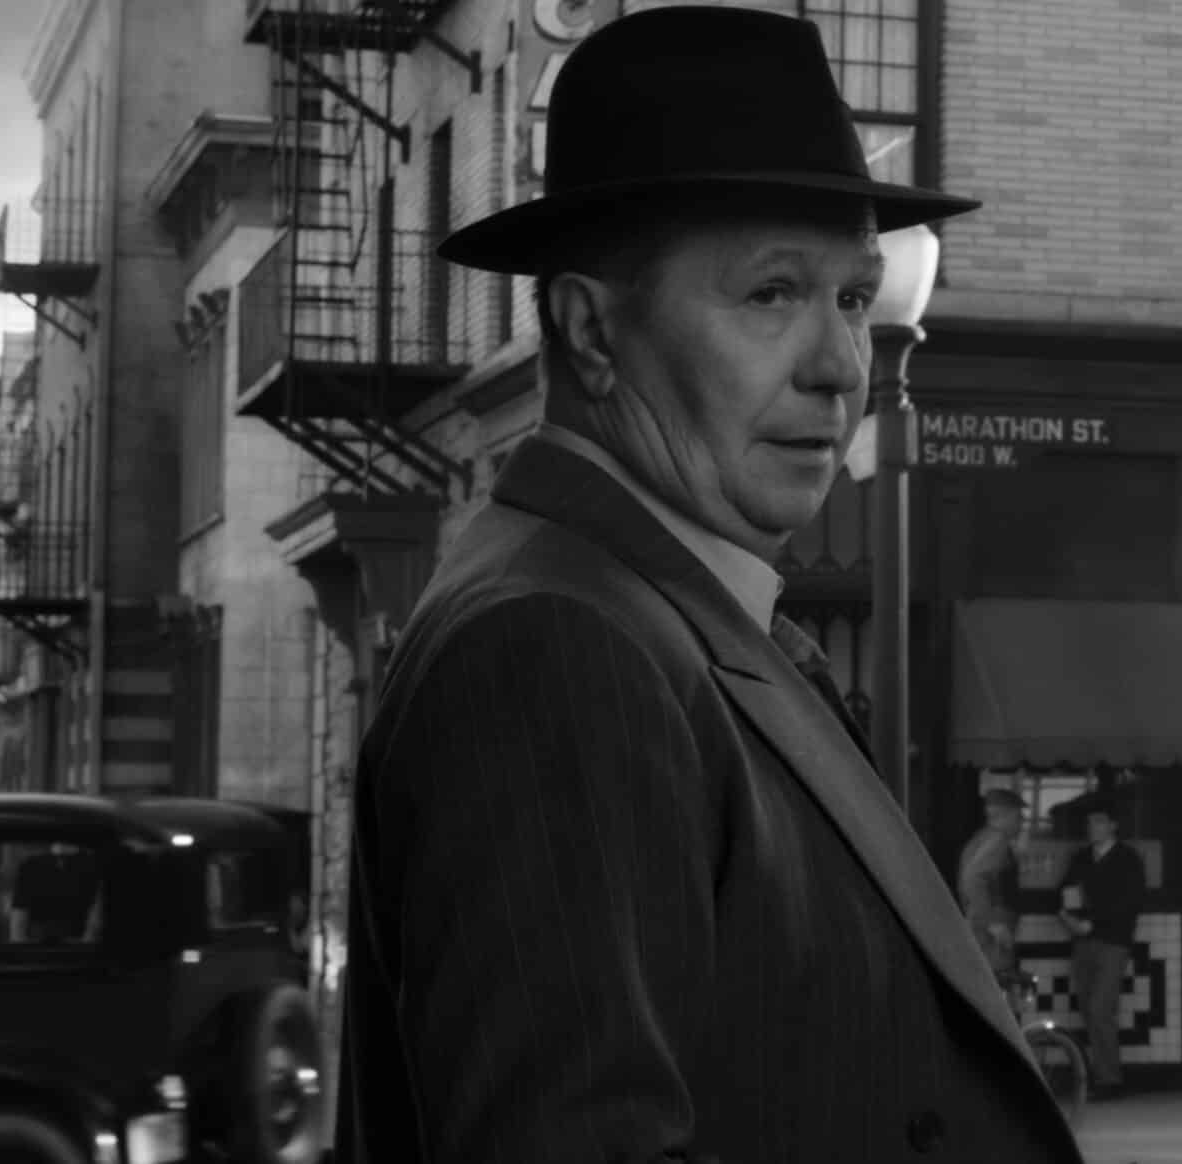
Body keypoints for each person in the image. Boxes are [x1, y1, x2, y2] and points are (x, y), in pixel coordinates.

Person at [332, 9, 1079, 1163]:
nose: (840, 367)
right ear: (591, 331)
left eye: (852, 298)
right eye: (772, 293)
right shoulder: (554, 647)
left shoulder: (659, 614)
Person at [1056, 801, 1146, 1099]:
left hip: (1113, 942)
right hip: (1082, 942)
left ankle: (1110, 1079)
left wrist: (1092, 924)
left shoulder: (1128, 859)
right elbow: (1066, 890)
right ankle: (1099, 1075)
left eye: (1098, 822)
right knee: (1087, 1008)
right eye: (1089, 823)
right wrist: (1067, 917)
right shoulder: (1081, 858)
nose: (1092, 828)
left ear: (1113, 825)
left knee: (1100, 1008)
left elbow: (1130, 903)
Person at [958, 787, 1027, 980]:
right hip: (992, 930)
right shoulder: (998, 840)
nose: (1021, 823)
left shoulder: (981, 838)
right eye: (1019, 817)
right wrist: (993, 923)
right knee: (996, 980)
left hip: (982, 924)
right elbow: (972, 879)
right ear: (1007, 815)